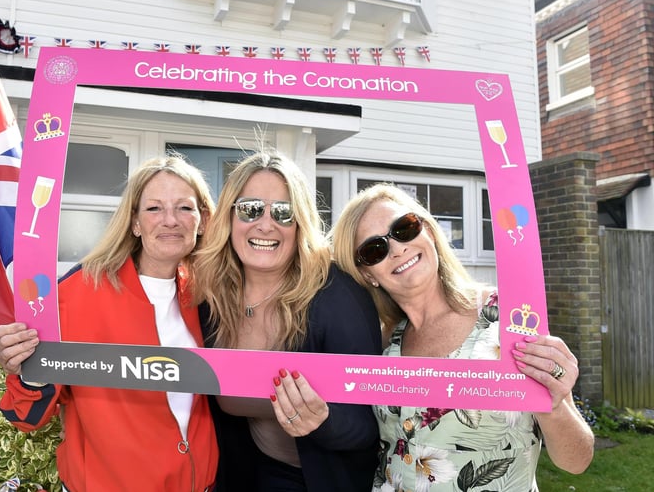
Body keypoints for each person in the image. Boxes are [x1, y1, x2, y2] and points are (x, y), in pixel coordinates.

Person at [330, 182, 595, 492]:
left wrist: (554, 402)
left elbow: (576, 462)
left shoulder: (508, 318)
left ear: (427, 230)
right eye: (375, 249)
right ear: (366, 274)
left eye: (405, 228)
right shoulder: (381, 344)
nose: (397, 248)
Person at [0, 155, 218, 492]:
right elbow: (26, 416)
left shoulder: (208, 295)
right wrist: (24, 367)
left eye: (185, 208)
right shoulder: (76, 294)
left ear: (202, 220)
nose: (171, 220)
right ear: (135, 223)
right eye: (154, 208)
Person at [192, 150, 383, 492]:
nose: (266, 224)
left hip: (320, 480)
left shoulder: (336, 296)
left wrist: (322, 419)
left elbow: (370, 426)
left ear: (300, 224)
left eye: (283, 213)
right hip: (246, 474)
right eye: (250, 209)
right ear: (229, 217)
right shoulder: (211, 295)